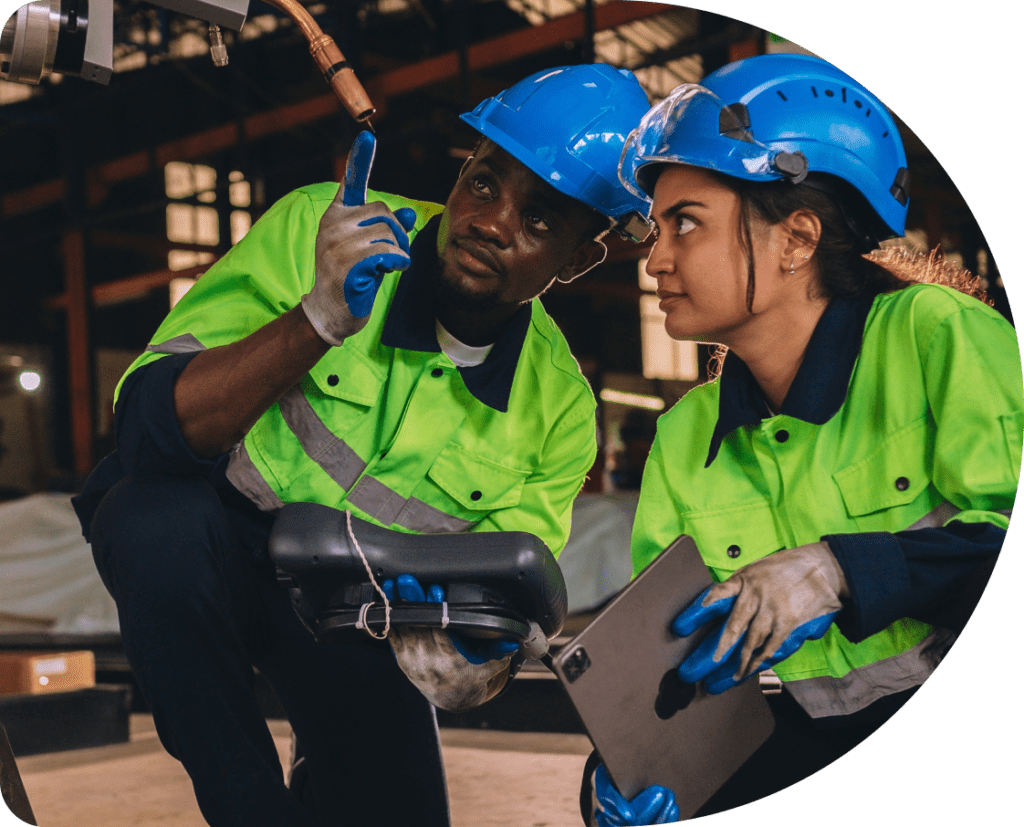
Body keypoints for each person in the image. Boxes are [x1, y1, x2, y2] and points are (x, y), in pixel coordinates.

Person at [70, 64, 653, 827]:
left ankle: (327, 766)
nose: (491, 221)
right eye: (484, 183)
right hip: (215, 543)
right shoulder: (324, 230)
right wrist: (314, 320)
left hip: (360, 615)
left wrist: (468, 653)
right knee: (148, 519)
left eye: (540, 222)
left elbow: (502, 611)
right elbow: (149, 432)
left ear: (578, 261)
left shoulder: (559, 410)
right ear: (464, 169)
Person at [584, 53, 1021, 825]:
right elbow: (663, 666)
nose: (653, 258)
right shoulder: (688, 435)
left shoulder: (939, 338)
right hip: (811, 745)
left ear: (796, 238)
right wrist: (617, 768)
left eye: (685, 223)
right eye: (655, 229)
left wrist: (837, 571)